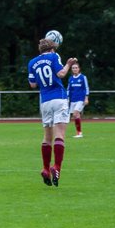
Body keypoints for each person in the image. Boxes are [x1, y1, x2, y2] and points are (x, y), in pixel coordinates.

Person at [28, 38, 77, 185]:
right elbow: (61, 74)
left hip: (45, 102)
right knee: (60, 135)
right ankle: (56, 167)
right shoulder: (54, 56)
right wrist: (69, 64)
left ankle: (45, 169)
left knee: (47, 138)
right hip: (59, 98)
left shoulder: (32, 62)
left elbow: (32, 84)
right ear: (51, 49)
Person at [67, 61, 90, 138]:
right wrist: (67, 98)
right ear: (71, 69)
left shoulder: (83, 77)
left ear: (79, 69)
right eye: (73, 68)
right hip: (73, 99)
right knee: (76, 116)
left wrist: (86, 98)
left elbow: (86, 88)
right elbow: (68, 89)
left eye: (76, 68)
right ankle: (79, 133)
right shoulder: (70, 78)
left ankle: (79, 133)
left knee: (75, 113)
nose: (74, 69)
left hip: (80, 99)